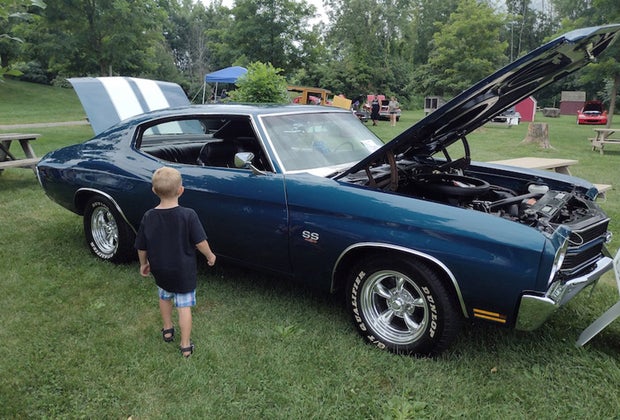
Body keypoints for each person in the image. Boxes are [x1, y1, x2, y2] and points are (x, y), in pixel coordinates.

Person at [135, 167, 216, 357]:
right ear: (181, 190)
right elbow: (200, 242)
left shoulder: (149, 216)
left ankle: (167, 329)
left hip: (161, 271)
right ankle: (185, 345)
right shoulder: (188, 215)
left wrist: (143, 263)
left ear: (154, 191)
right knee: (184, 307)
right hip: (184, 272)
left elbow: (141, 246)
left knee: (164, 298)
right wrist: (210, 255)